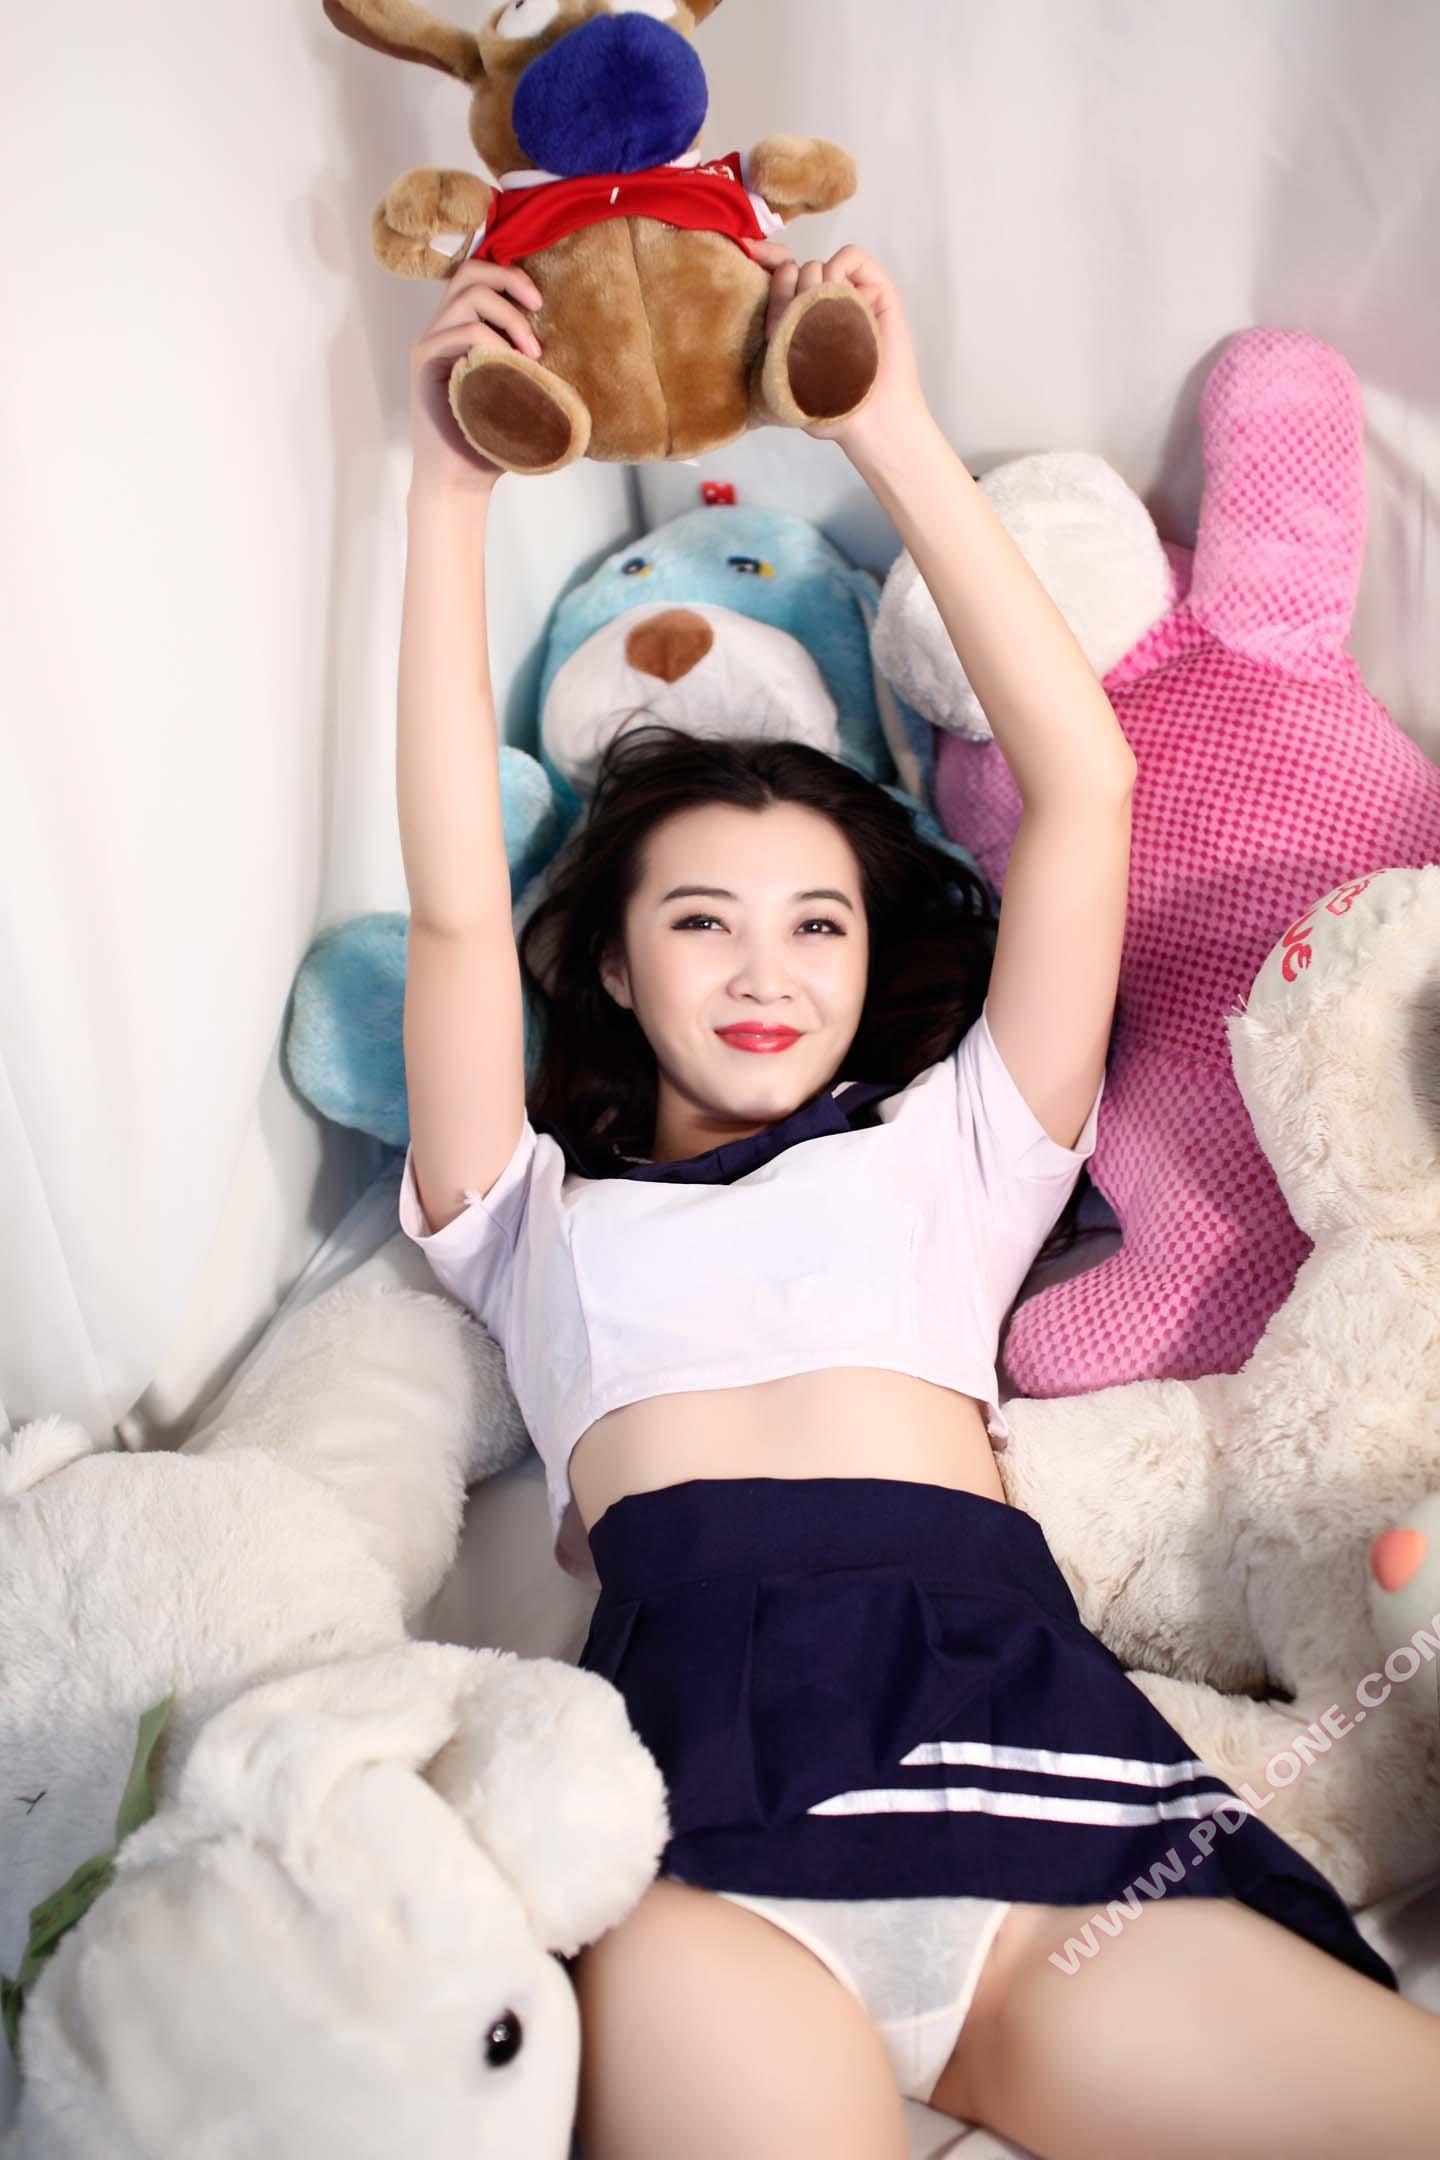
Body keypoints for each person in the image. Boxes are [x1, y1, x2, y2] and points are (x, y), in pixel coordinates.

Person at [393, 238, 1440, 2158]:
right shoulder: (529, 1214)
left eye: (820, 924)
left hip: (1038, 1801)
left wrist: (888, 425)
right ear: (613, 965)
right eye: (699, 922)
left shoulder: (957, 1146)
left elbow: (1088, 787)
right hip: (703, 1836)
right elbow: (459, 910)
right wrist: (449, 492)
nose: (765, 970)